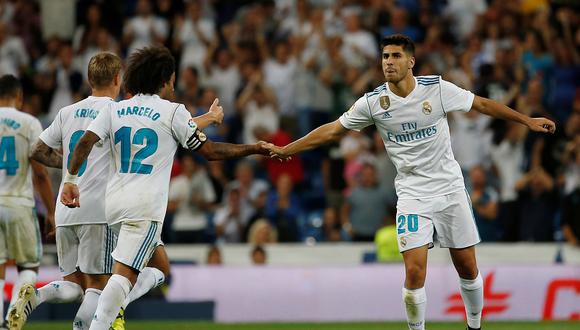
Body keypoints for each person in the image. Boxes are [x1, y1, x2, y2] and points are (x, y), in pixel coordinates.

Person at [265, 34, 556, 330]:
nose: (388, 62)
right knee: (414, 272)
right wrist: (290, 149)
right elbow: (332, 131)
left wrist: (526, 120)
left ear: (411, 61)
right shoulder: (374, 103)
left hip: (449, 188)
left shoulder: (437, 89)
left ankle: (475, 326)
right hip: (412, 194)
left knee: (467, 267)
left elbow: (480, 104)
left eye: (395, 56)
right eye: (385, 57)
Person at [61, 46, 267, 330]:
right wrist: (255, 148)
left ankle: (114, 310)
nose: (174, 85)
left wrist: (70, 182)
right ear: (163, 80)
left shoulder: (116, 109)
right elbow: (211, 151)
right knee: (122, 277)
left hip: (115, 205)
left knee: (161, 268)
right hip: (144, 207)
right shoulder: (173, 112)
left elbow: (84, 142)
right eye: (172, 79)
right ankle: (100, 324)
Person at [9, 53, 122, 330]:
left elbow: (36, 151)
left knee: (74, 284)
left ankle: (36, 295)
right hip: (97, 208)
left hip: (66, 208)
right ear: (118, 79)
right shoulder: (117, 112)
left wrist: (69, 160)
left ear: (89, 79)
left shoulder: (67, 111)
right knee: (98, 285)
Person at [0, 75, 55, 329]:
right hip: (19, 202)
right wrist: (52, 212)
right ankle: (14, 313)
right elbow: (40, 172)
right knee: (29, 264)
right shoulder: (29, 122)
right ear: (19, 96)